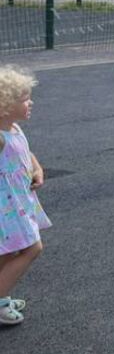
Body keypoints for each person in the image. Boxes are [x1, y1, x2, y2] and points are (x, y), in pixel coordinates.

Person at [0, 66, 48, 326]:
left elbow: (26, 154)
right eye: (24, 99)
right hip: (5, 208)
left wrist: (37, 169)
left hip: (17, 204)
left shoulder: (15, 128)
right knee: (32, 247)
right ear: (5, 106)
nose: (31, 102)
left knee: (6, 253)